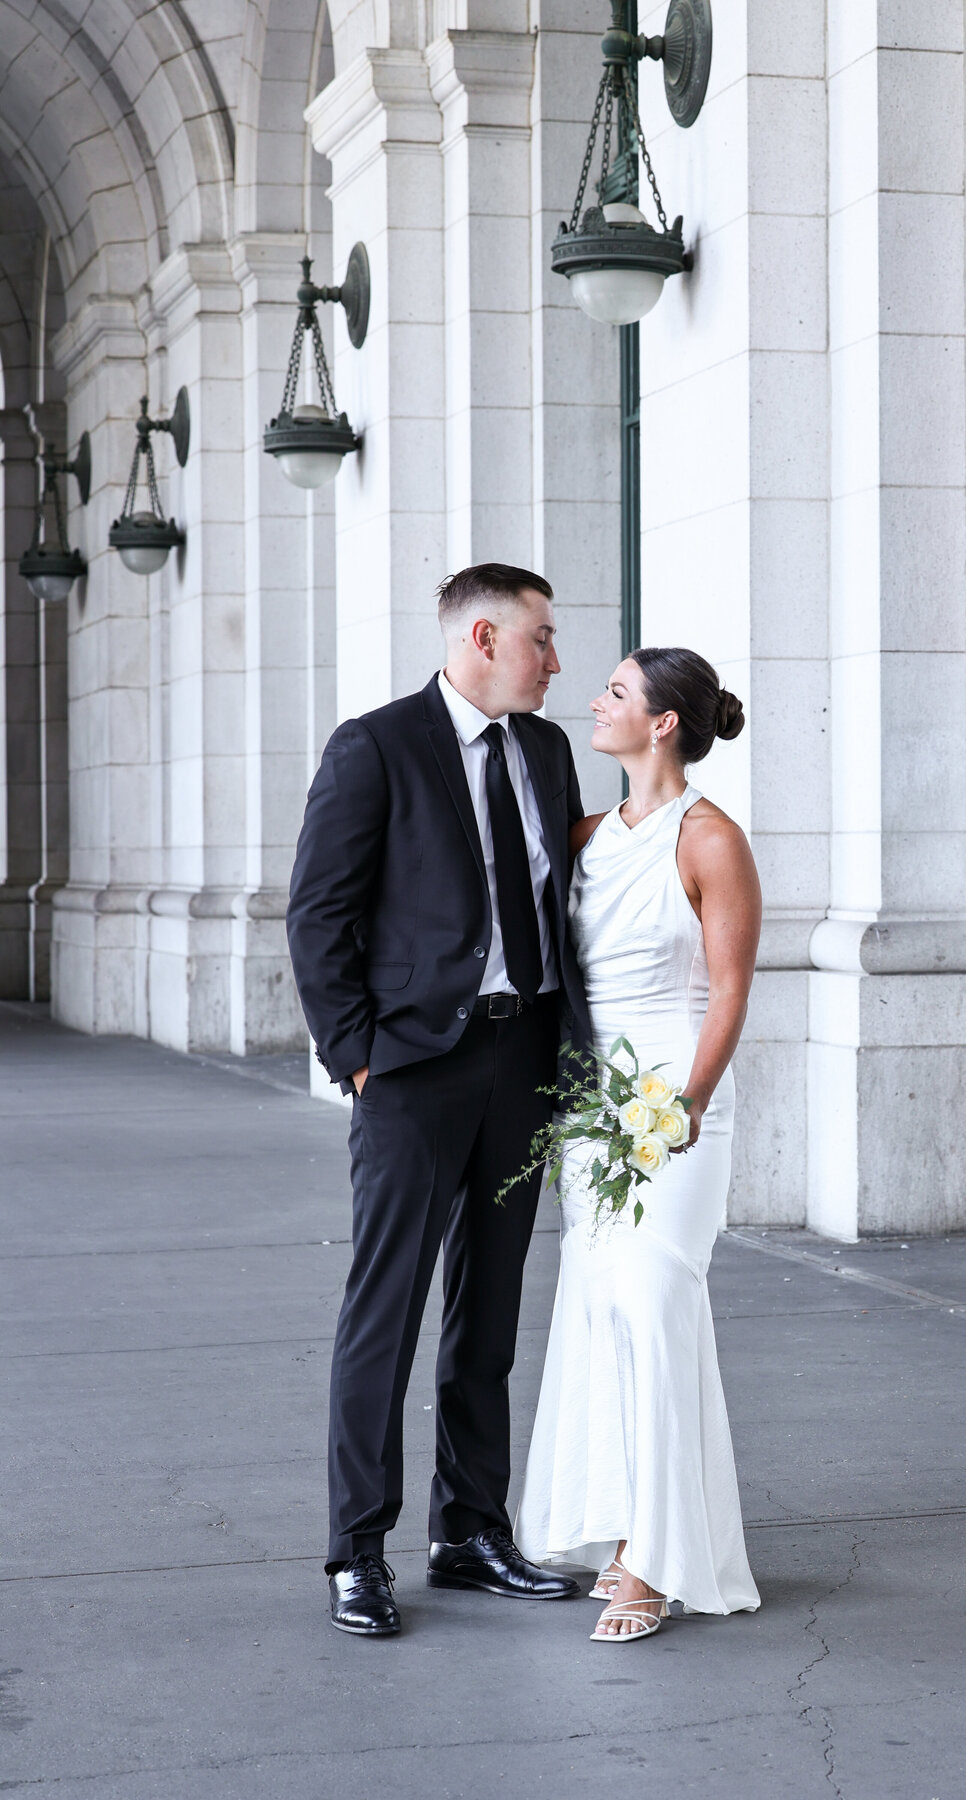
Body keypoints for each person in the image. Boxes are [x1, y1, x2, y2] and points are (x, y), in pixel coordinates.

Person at [286, 563, 591, 1636]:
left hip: (525, 1060)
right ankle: (356, 1551)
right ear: (480, 638)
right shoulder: (375, 747)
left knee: (490, 1311)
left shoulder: (547, 752)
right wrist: (358, 1059)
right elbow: (318, 913)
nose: (557, 660)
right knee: (387, 1306)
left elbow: (567, 905)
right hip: (414, 1071)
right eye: (541, 639)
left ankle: (469, 1529)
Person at [514, 646, 763, 1643]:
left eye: (615, 692)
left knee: (658, 1302)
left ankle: (653, 1563)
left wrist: (689, 1102)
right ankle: (623, 1529)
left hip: (677, 1098)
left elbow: (734, 987)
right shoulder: (582, 837)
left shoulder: (711, 841)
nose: (594, 701)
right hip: (591, 1104)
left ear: (663, 722)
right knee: (602, 1311)